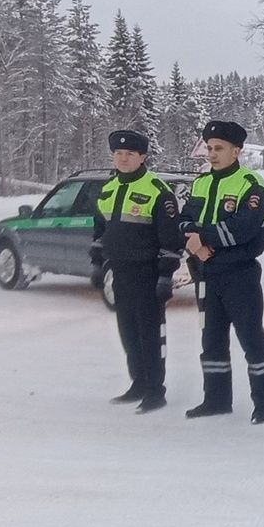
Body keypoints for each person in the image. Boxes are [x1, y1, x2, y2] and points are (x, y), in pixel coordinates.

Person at [177, 120, 264, 424]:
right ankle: (216, 399)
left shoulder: (251, 185)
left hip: (240, 276)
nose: (212, 154)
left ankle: (263, 404)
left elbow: (245, 229)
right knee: (212, 339)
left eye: (219, 148)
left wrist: (202, 238)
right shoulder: (201, 183)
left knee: (251, 339)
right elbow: (183, 222)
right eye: (209, 148)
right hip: (206, 275)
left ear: (237, 150)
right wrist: (195, 246)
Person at [90, 130, 185, 412]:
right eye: (119, 154)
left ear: (142, 157)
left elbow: (171, 239)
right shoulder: (108, 189)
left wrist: (166, 275)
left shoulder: (157, 191)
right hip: (120, 273)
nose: (123, 158)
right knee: (128, 332)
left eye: (130, 154)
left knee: (151, 334)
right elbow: (100, 232)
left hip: (148, 274)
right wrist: (97, 264)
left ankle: (156, 390)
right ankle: (139, 383)